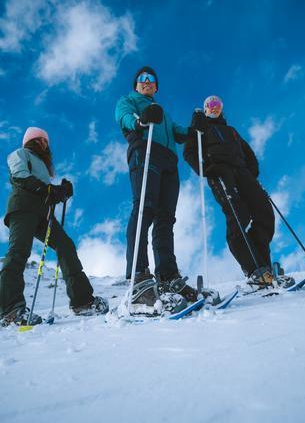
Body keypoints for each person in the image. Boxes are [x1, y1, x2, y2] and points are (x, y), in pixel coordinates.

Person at [115, 66, 220, 309]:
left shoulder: (163, 113)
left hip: (169, 161)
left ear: (156, 86)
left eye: (151, 79)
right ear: (136, 85)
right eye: (142, 78)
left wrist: (196, 130)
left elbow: (179, 133)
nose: (146, 81)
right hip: (145, 150)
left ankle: (168, 276)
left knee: (165, 219)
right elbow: (124, 117)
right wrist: (140, 120)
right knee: (144, 208)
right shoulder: (129, 101)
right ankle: (139, 276)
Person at [0, 127, 108, 327]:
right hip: (23, 207)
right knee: (19, 252)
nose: (43, 143)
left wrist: (61, 191)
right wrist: (50, 189)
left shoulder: (42, 165)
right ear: (29, 141)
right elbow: (21, 177)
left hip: (43, 214)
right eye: (39, 139)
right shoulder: (20, 154)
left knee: (65, 245)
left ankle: (82, 301)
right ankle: (11, 310)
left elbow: (46, 191)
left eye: (46, 141)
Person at [184, 95, 295, 290]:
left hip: (242, 172)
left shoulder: (231, 130)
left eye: (217, 104)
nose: (214, 107)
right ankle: (254, 270)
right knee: (238, 214)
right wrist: (205, 169)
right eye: (210, 105)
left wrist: (251, 170)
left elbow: (247, 151)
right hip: (220, 172)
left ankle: (264, 267)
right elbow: (189, 152)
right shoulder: (199, 130)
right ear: (205, 108)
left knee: (264, 211)